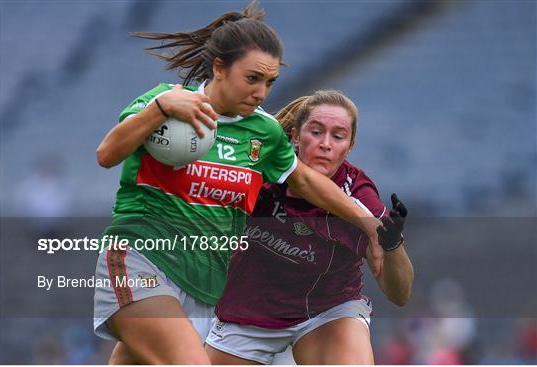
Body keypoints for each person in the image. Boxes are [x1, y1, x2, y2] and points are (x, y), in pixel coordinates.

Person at [93, 2, 383, 364]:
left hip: (203, 286)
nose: (262, 92)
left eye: (269, 82)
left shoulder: (264, 132)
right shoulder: (167, 102)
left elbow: (306, 182)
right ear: (219, 68)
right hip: (141, 260)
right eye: (252, 78)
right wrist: (161, 109)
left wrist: (366, 222)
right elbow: (106, 154)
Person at [205, 90, 414, 365]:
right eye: (316, 132)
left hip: (326, 311)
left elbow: (399, 295)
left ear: (349, 146)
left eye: (338, 136)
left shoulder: (360, 198)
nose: (325, 144)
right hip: (250, 309)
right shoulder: (260, 170)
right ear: (294, 135)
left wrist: (393, 245)